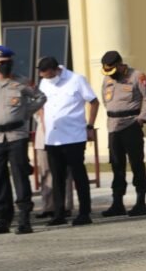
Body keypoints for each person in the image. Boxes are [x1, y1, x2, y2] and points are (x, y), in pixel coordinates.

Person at [0, 45, 46, 234]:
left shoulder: (21, 83)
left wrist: (24, 113)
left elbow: (41, 97)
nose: (5, 66)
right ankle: (0, 219)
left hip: (16, 136)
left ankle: (24, 218)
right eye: (1, 63)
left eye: (8, 63)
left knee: (20, 175)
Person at [38, 56, 99, 226]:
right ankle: (59, 214)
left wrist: (90, 126)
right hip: (53, 137)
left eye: (49, 75)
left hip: (74, 136)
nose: (47, 79)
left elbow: (94, 102)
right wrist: (44, 125)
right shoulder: (44, 83)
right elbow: (41, 105)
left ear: (56, 69)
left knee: (79, 175)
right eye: (43, 76)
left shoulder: (76, 79)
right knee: (57, 177)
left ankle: (84, 213)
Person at [100, 51, 146, 217]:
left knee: (136, 163)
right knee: (116, 164)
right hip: (113, 126)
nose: (111, 74)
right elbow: (106, 100)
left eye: (113, 70)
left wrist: (141, 119)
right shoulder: (107, 79)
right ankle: (117, 202)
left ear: (119, 64)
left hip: (131, 124)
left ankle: (141, 201)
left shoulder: (137, 76)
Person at [33, 112, 74, 219]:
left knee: (64, 172)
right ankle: (48, 207)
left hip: (62, 135)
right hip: (43, 136)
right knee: (45, 172)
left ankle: (65, 206)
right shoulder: (39, 96)